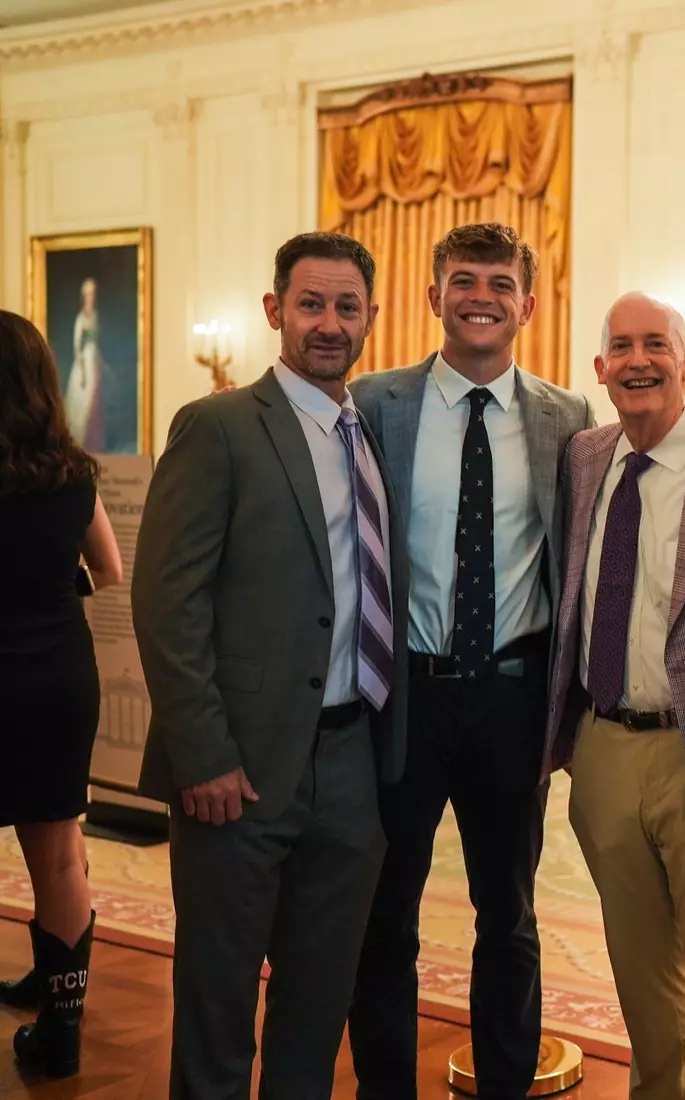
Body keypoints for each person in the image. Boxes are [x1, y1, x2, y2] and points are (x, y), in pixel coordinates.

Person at [132, 230, 407, 1098]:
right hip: (238, 769)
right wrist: (202, 753)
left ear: (371, 316)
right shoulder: (217, 427)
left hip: (350, 762)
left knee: (317, 1004)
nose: (329, 323)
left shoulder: (371, 435)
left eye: (347, 306)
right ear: (274, 311)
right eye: (311, 304)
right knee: (217, 1009)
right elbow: (166, 602)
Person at [347, 222, 595, 1100]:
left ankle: (504, 1086)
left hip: (515, 699)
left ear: (528, 302)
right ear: (433, 297)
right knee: (387, 918)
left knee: (511, 916)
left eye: (499, 281)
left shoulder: (569, 417)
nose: (481, 295)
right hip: (406, 693)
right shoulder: (375, 403)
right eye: (462, 279)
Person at [545, 291, 685, 1100]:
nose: (639, 360)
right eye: (622, 347)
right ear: (599, 370)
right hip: (602, 748)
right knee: (638, 964)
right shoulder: (585, 458)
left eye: (657, 344)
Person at [0, 310, 123, 1078]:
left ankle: (51, 988)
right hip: (56, 678)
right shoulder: (71, 471)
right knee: (59, 854)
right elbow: (109, 570)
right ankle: (62, 1027)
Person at [63, 279, 106, 452]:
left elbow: (96, 343)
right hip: (84, 363)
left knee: (95, 401)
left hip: (93, 359)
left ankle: (94, 444)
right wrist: (82, 370)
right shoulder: (81, 318)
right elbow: (76, 345)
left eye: (93, 294)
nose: (91, 298)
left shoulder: (95, 316)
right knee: (83, 403)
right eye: (88, 295)